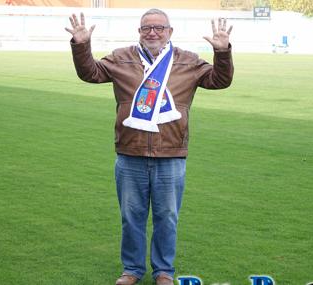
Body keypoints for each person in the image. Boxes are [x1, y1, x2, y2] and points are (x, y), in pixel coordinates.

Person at [65, 8, 234, 285]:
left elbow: (219, 80)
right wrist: (82, 45)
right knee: (131, 217)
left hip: (171, 154)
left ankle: (164, 271)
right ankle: (131, 270)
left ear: (170, 31)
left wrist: (223, 52)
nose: (152, 32)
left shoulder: (188, 61)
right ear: (139, 32)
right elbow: (90, 73)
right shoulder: (122, 58)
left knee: (167, 217)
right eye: (146, 28)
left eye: (158, 27)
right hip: (130, 153)